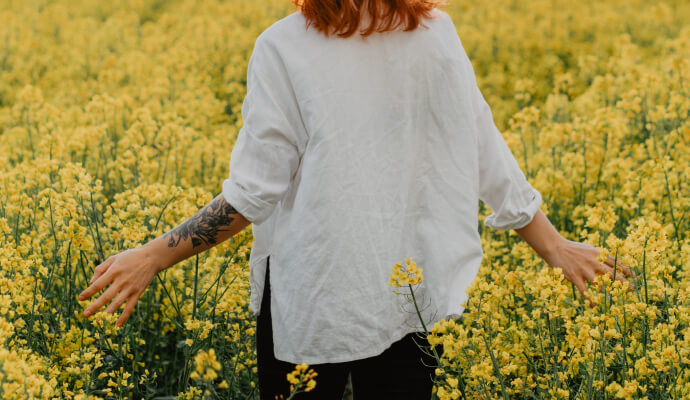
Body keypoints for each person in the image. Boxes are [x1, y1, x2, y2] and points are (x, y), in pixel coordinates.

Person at [78, 0, 636, 398]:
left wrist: (152, 256)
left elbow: (253, 193)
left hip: (313, 297)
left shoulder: (283, 46)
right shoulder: (435, 32)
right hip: (409, 290)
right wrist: (552, 245)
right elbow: (483, 145)